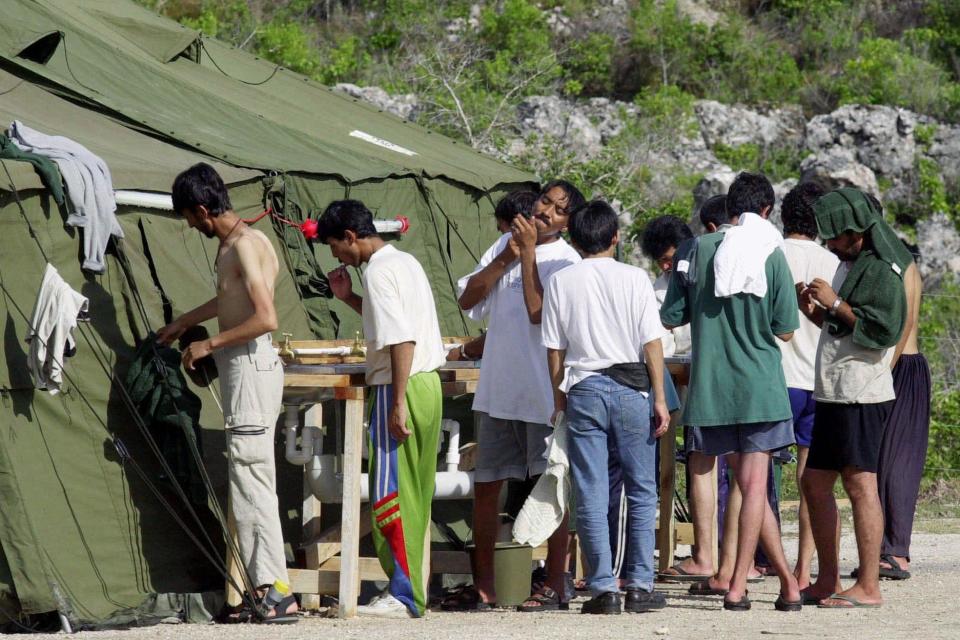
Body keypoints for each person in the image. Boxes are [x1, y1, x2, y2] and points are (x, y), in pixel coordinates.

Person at [157, 163, 297, 623]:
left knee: (253, 480)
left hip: (252, 368)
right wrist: (183, 322)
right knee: (248, 479)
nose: (190, 226)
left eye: (190, 218)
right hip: (247, 369)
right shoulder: (239, 244)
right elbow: (230, 300)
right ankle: (266, 587)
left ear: (201, 209)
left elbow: (265, 317)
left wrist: (209, 343)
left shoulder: (243, 247)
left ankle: (276, 590)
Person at [661, 171, 802, 611]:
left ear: (728, 212)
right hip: (760, 387)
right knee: (754, 487)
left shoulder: (696, 251)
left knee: (740, 483)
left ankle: (780, 584)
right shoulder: (772, 254)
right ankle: (743, 583)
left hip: (710, 389)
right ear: (766, 212)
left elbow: (671, 317)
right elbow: (785, 330)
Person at [447, 180, 585, 612]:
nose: (546, 211)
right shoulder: (502, 245)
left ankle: (556, 582)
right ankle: (485, 586)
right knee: (487, 487)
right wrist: (507, 254)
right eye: (545, 200)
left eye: (559, 210)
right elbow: (468, 298)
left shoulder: (567, 261)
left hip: (544, 394)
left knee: (553, 488)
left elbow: (538, 314)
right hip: (498, 391)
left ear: (567, 223)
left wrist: (526, 256)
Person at [318, 199, 446, 618]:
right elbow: (393, 324)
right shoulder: (404, 261)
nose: (337, 255)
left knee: (390, 493)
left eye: (337, 247)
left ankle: (404, 594)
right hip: (428, 385)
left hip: (401, 384)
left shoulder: (377, 272)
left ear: (351, 237)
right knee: (417, 492)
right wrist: (348, 297)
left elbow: (400, 340)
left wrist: (396, 403)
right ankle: (410, 589)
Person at [542, 200, 669, 614]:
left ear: (575, 240)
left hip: (584, 387)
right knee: (642, 488)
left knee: (591, 491)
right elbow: (652, 343)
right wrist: (661, 399)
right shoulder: (635, 277)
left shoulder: (562, 281)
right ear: (615, 237)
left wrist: (559, 397)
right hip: (632, 387)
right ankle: (639, 584)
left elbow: (555, 349)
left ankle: (602, 589)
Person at [800, 188, 912, 608]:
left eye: (833, 236)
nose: (828, 243)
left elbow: (883, 329)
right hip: (834, 389)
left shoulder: (882, 268)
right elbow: (844, 324)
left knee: (860, 483)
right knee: (814, 481)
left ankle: (868, 585)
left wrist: (836, 302)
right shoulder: (853, 262)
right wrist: (817, 310)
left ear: (855, 231)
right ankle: (827, 578)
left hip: (861, 392)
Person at [642, 214, 721, 582]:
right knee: (682, 467)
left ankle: (714, 550)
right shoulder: (657, 288)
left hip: (707, 382)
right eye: (661, 261)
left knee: (710, 470)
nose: (667, 266)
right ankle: (698, 549)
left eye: (671, 257)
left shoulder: (706, 273)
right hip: (677, 384)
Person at [777, 182, 840, 589]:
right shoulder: (833, 262)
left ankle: (755, 563)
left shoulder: (772, 255)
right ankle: (803, 569)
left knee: (757, 475)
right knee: (811, 482)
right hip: (817, 378)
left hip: (776, 378)